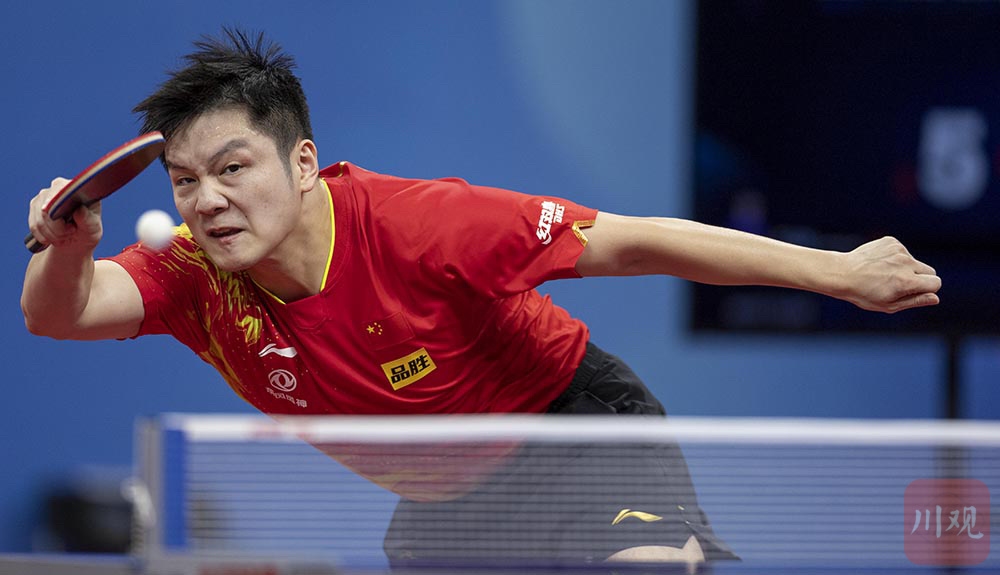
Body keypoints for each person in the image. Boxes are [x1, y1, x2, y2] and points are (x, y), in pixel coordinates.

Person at [22, 29, 941, 569]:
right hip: (443, 501)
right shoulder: (194, 276)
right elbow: (57, 313)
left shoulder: (422, 226)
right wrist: (67, 249)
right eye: (185, 180)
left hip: (574, 434)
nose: (208, 199)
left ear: (302, 163)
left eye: (232, 167)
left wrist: (838, 271)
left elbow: (632, 240)